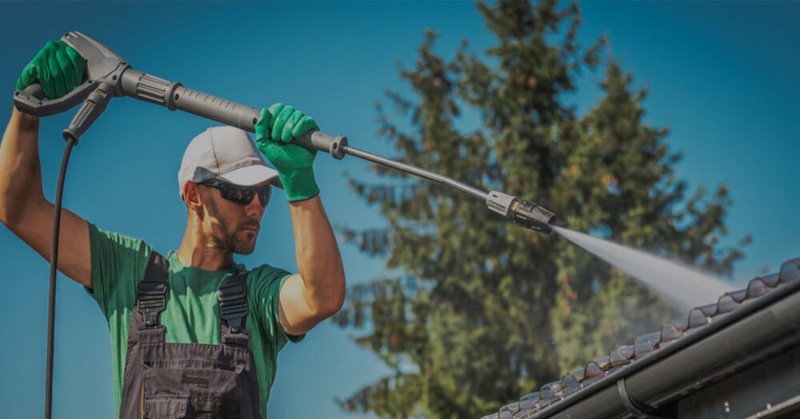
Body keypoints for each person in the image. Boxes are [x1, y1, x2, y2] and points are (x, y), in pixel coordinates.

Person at [0, 40, 345, 418]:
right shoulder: (126, 271)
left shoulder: (258, 297)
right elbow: (19, 209)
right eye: (240, 193)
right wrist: (26, 112)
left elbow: (320, 298)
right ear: (193, 195)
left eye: (263, 194)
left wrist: (299, 182)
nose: (257, 207)